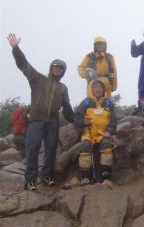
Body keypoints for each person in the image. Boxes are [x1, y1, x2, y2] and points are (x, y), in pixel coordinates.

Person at [7, 33, 74, 190]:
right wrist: (16, 48)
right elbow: (23, 64)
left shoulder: (63, 88)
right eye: (56, 67)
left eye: (61, 68)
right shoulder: (38, 79)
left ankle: (46, 177)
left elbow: (67, 108)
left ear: (63, 71)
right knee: (33, 149)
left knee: (50, 151)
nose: (58, 69)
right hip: (36, 121)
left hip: (53, 123)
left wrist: (77, 121)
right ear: (51, 68)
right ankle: (30, 180)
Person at [75, 80, 117, 185]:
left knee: (107, 144)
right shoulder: (85, 102)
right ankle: (86, 177)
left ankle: (105, 176)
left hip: (103, 134)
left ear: (103, 90)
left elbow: (114, 120)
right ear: (91, 89)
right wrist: (83, 122)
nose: (98, 89)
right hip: (88, 134)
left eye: (100, 87)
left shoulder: (108, 103)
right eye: (95, 87)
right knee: (84, 146)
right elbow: (76, 118)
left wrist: (109, 131)